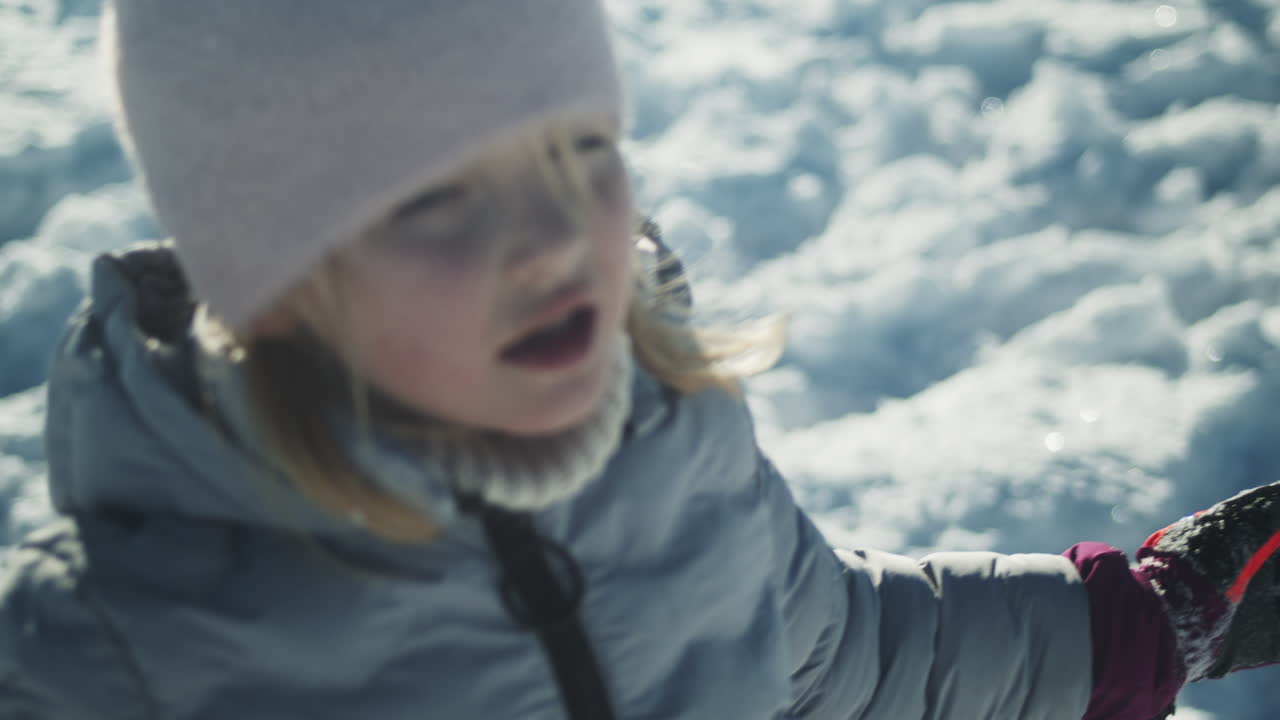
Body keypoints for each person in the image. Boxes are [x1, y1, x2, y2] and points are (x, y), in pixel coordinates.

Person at [2, 1, 1277, 718]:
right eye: (440, 200)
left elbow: (827, 651)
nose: (554, 242)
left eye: (582, 153)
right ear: (275, 284)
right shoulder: (114, 651)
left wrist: (1138, 628)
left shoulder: (656, 435)